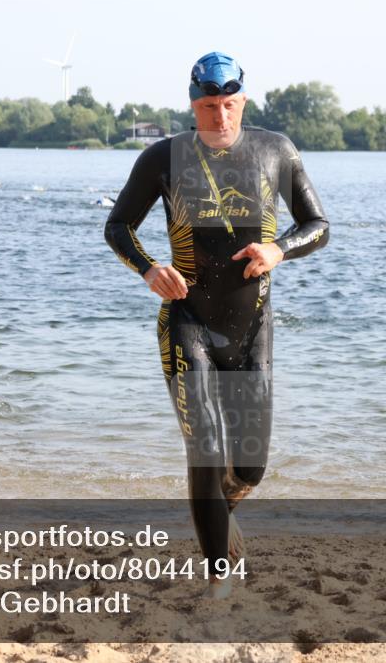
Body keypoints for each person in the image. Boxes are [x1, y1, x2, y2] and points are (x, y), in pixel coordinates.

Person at [105, 52, 329, 596]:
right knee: (204, 446)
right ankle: (218, 583)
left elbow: (318, 224)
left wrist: (279, 250)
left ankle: (212, 511)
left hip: (254, 327)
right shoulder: (164, 157)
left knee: (249, 470)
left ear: (243, 102)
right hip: (188, 323)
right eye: (209, 106)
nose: (220, 117)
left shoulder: (275, 151)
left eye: (229, 105)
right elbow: (117, 226)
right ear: (192, 105)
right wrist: (149, 268)